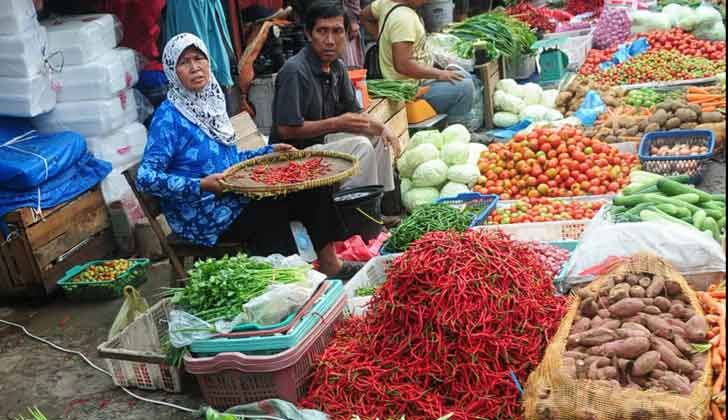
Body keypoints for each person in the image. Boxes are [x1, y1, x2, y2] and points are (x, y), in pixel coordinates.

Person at [137, 33, 361, 279]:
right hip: (202, 213)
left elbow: (228, 161)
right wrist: (201, 185)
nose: (194, 67)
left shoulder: (211, 101)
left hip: (231, 196)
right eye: (184, 62)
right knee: (268, 212)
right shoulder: (168, 118)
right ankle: (287, 282)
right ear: (172, 70)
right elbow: (146, 177)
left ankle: (332, 265)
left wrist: (269, 151)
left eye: (199, 58)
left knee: (312, 190)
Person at [270, 1, 399, 194]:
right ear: (308, 33)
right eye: (322, 31)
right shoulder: (295, 71)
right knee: (361, 146)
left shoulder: (337, 66)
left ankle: (380, 206)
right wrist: (337, 123)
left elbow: (355, 112)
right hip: (292, 156)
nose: (330, 40)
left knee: (379, 138)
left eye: (337, 31)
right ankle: (356, 215)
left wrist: (381, 127)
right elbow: (286, 130)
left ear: (347, 34)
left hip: (323, 144)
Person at [360, 0, 475, 126]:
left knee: (465, 76)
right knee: (465, 87)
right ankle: (459, 128)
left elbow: (364, 16)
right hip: (410, 92)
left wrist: (384, 39)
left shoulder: (384, 3)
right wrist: (439, 74)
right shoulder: (404, 19)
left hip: (416, 81)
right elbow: (403, 64)